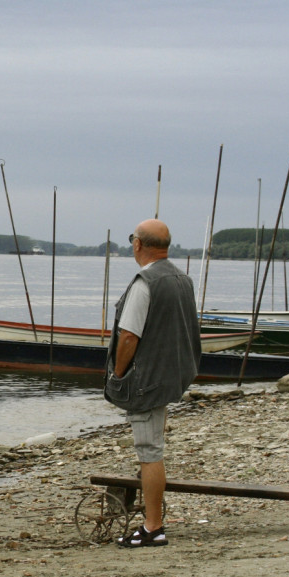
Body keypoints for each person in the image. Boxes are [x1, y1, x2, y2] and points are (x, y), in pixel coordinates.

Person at [104, 219, 201, 548]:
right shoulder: (181, 279)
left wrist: (119, 375)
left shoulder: (144, 282)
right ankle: (153, 520)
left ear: (138, 245)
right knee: (153, 447)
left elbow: (129, 336)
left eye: (132, 238)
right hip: (171, 375)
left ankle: (153, 527)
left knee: (149, 452)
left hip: (147, 382)